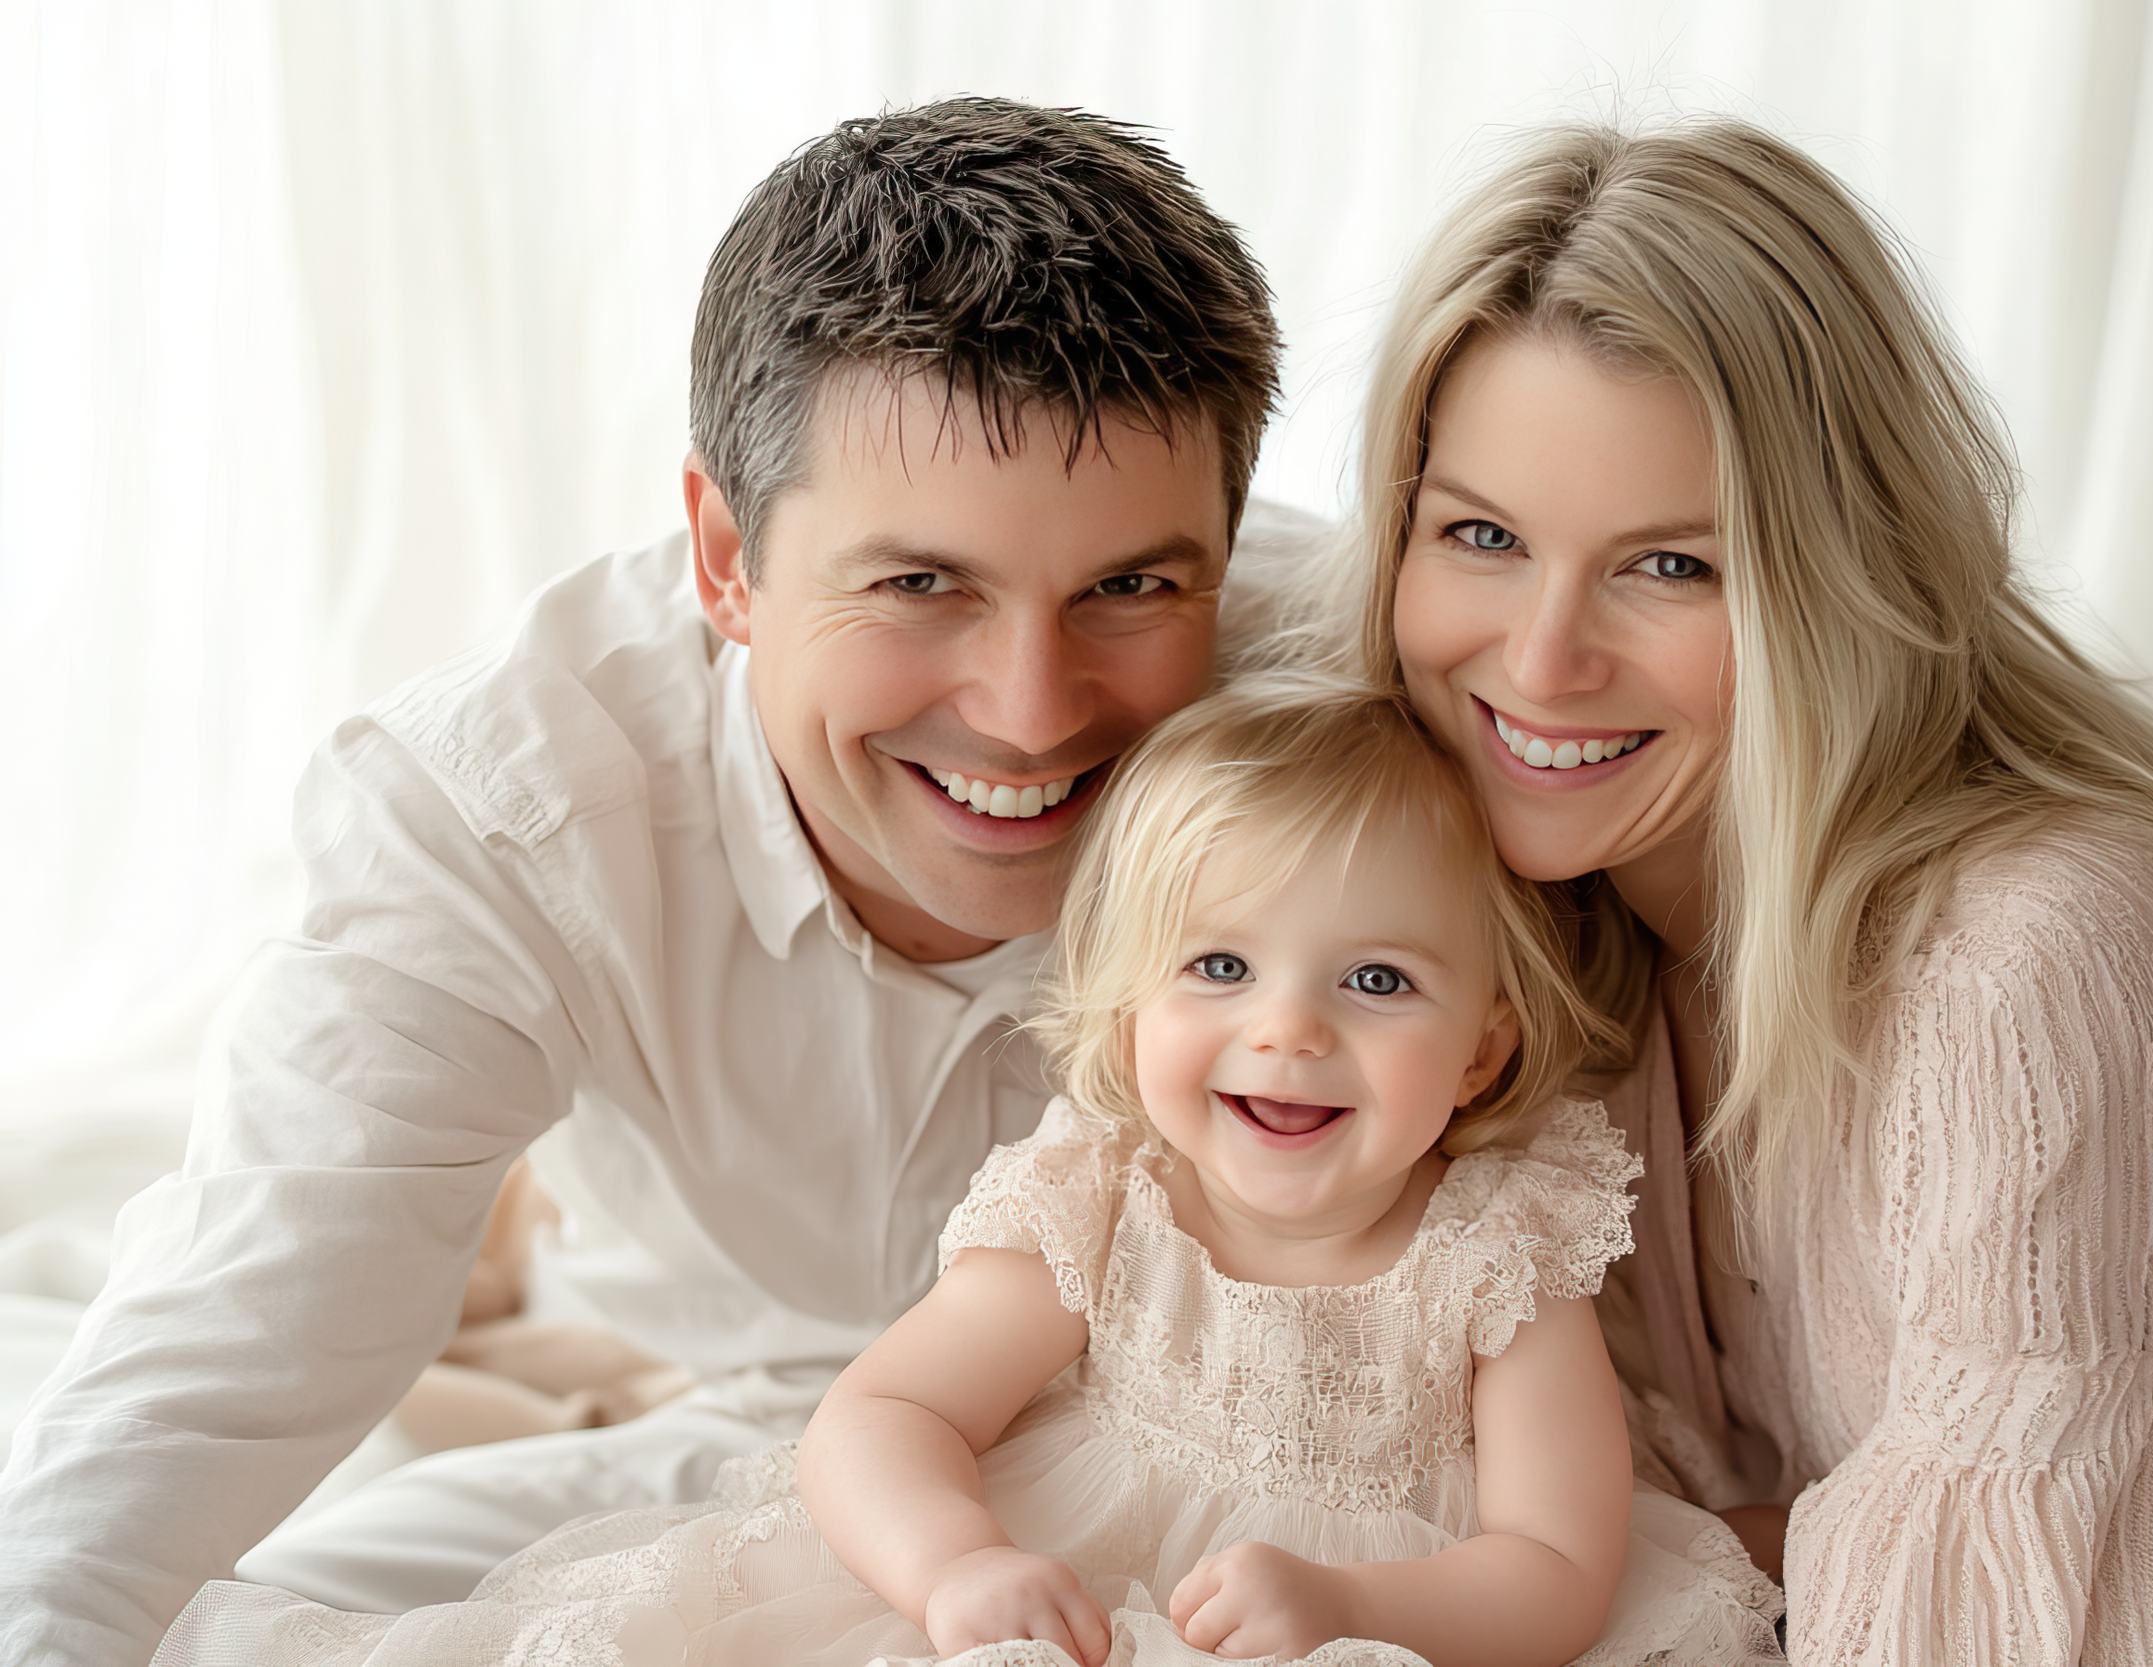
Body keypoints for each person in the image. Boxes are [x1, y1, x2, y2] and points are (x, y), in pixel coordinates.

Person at [0, 98, 1292, 1667]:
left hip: (1241, 1482)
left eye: (1132, 586)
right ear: (726, 557)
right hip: (761, 1436)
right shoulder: (501, 810)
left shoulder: (1355, 709)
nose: (1031, 707)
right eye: (919, 583)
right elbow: (221, 1348)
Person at [1335, 118, 2153, 1662]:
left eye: (1672, 566)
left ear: (1840, 579)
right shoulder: (1454, 863)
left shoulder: (2028, 960)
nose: (1540, 662)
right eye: (1481, 534)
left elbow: (2070, 1622)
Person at [154, 678, 1786, 1666]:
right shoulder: (1103, 1195)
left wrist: (1358, 1599)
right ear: (1135, 996)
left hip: (1363, 1618)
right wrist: (956, 1564)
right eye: (1218, 968)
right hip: (1050, 1604)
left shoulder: (1504, 1246)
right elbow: (883, 1415)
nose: (1285, 1036)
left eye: (1375, 984)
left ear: (1488, 1048)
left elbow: (1559, 1566)